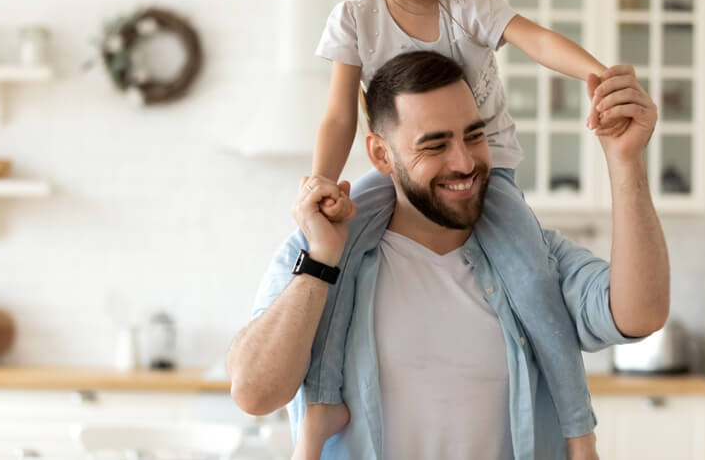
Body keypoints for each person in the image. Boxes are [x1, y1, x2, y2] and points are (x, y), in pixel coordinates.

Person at [302, 0, 627, 460]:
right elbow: (340, 115)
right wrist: (323, 182)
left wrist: (597, 74)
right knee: (328, 265)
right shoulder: (355, 20)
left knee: (534, 286)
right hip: (396, 177)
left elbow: (537, 39)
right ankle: (320, 413)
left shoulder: (468, 6)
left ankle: (580, 432)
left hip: (486, 175)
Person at [227, 51, 670, 460]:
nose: (463, 162)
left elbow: (639, 315)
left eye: (473, 136)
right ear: (382, 154)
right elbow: (254, 392)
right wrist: (321, 260)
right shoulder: (320, 254)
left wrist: (626, 161)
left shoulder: (532, 257)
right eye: (435, 145)